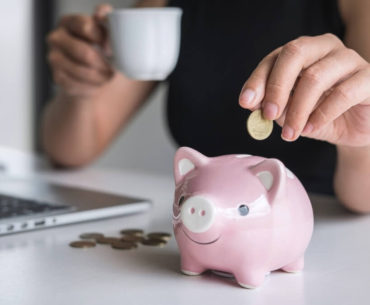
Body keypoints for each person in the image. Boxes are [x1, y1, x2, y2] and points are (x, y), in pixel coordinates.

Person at [42, 0, 370, 213]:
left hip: (321, 233)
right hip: (203, 221)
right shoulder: (163, 5)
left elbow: (365, 200)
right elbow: (71, 150)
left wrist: (358, 137)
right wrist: (80, 85)